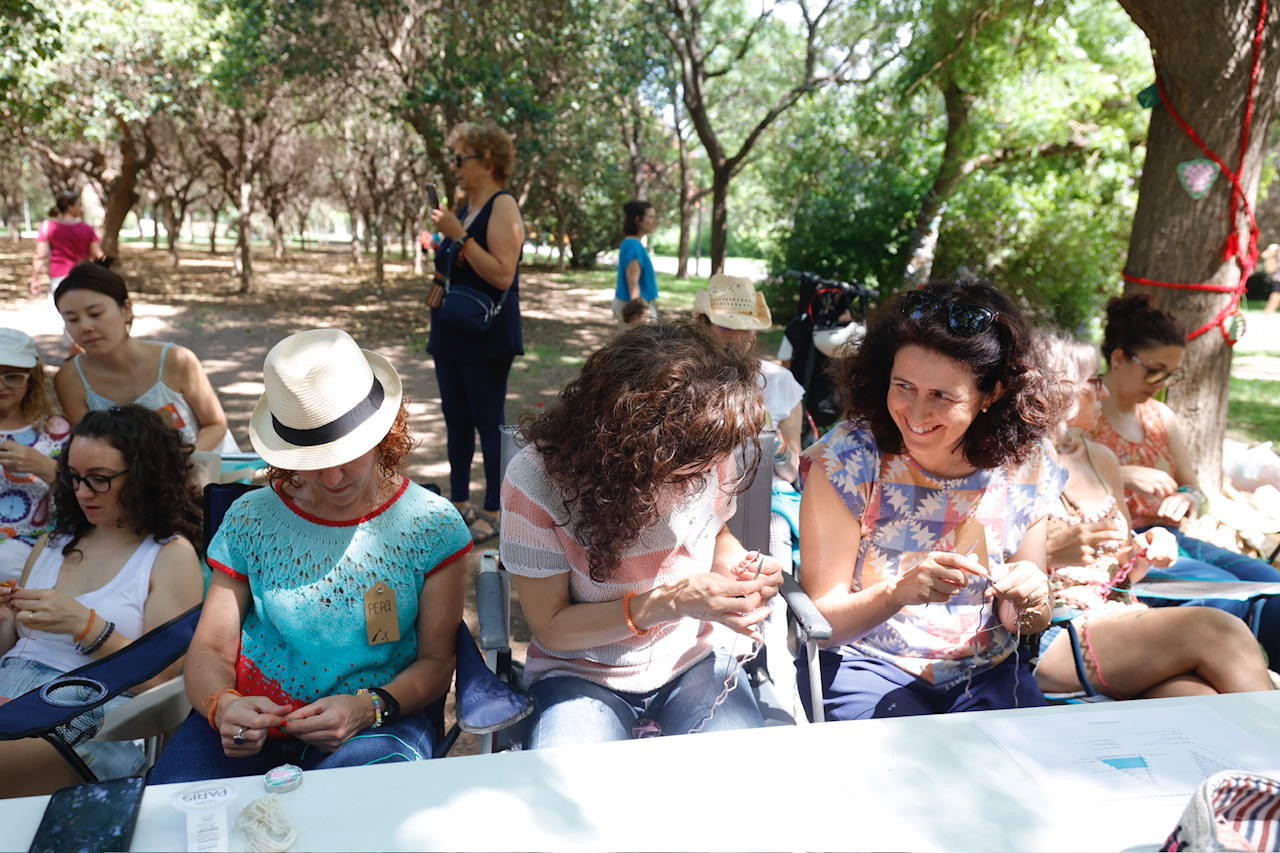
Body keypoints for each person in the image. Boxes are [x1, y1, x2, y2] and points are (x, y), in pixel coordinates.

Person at [148, 329, 470, 783]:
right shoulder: (252, 518)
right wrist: (223, 706)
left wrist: (368, 706)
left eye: (348, 453)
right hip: (250, 728)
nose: (333, 476)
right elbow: (209, 649)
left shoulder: (431, 526)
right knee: (175, 818)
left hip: (377, 725)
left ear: (384, 434)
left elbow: (437, 664)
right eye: (310, 458)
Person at [500, 322, 785, 747]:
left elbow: (714, 531)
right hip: (578, 673)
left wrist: (739, 567)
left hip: (694, 661)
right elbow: (552, 627)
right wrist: (674, 601)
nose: (710, 472)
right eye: (692, 465)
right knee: (577, 793)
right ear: (635, 446)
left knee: (737, 780)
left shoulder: (710, 452)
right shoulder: (538, 480)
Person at [799, 277, 1068, 721]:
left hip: (988, 674)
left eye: (942, 396)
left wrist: (1033, 597)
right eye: (903, 386)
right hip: (867, 667)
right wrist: (897, 593)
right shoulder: (848, 457)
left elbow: (1026, 620)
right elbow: (822, 622)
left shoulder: (1028, 463)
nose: (916, 414)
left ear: (991, 394)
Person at [1034, 330, 1273, 700]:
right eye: (1093, 382)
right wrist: (1051, 554)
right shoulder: (1017, 465)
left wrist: (1143, 550)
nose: (1104, 392)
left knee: (1198, 699)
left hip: (1116, 617)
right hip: (1051, 635)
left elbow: (1121, 571)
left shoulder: (1101, 459)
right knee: (1217, 628)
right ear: (1058, 389)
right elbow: (993, 580)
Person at [0, 406, 204, 797]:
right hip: (13, 698)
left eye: (99, 480)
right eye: (74, 477)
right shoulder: (54, 542)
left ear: (145, 476)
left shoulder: (167, 554)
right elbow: (14, 645)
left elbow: (160, 682)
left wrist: (86, 625)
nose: (81, 492)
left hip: (91, 719)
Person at [1089, 294, 1280, 655]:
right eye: (1155, 370)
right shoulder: (1082, 408)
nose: (1162, 383)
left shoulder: (1161, 417)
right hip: (1128, 546)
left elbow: (1198, 489)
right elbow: (1055, 484)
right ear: (1118, 358)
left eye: (1172, 373)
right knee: (1224, 592)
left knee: (1273, 584)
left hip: (1174, 538)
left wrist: (1187, 497)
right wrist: (1120, 473)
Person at [427, 120, 525, 545]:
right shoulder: (464, 205)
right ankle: (460, 503)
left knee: (488, 422)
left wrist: (460, 236)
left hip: (486, 337)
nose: (454, 167)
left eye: (460, 158)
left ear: (487, 161)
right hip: (451, 330)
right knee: (456, 421)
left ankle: (495, 509)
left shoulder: (502, 206)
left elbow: (503, 275)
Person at [52, 262, 233, 453]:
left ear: (126, 309)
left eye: (95, 314)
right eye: (72, 319)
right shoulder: (70, 379)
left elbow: (214, 425)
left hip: (212, 471)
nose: (86, 327)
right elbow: (91, 448)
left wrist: (185, 465)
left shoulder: (178, 360)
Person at [693, 274, 805, 564]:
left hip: (758, 497)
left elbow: (791, 468)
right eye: (728, 326)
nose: (739, 337)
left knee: (774, 540)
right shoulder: (684, 378)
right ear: (703, 325)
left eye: (747, 328)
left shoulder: (779, 381)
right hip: (697, 497)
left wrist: (776, 447)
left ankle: (775, 606)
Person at [0, 329, 71, 583]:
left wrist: (43, 466)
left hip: (35, 542)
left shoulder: (55, 430)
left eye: (13, 377)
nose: (1, 385)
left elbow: (85, 496)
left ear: (32, 378)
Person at [29, 191, 103, 302]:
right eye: (79, 205)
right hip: (82, 278)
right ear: (70, 207)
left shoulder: (47, 227)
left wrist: (35, 279)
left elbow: (41, 255)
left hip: (58, 281)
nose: (81, 208)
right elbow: (98, 255)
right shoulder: (87, 229)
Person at [614, 200, 658, 326]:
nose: (654, 221)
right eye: (650, 217)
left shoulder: (633, 243)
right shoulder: (633, 245)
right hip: (636, 307)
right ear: (638, 219)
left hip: (638, 305)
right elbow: (633, 284)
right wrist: (640, 315)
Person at [1262, 243, 1280, 317]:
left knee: (1274, 300)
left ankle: (1267, 315)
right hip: (1277, 281)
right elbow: (1269, 270)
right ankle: (1266, 316)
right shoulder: (1273, 258)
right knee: (1274, 300)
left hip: (1277, 281)